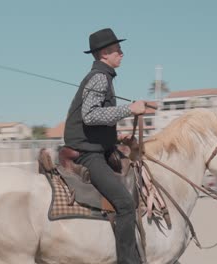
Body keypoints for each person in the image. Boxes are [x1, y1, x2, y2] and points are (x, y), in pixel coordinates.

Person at [64, 28, 146, 264]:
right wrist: (129, 110)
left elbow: (94, 119)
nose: (122, 52)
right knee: (125, 204)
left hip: (96, 147)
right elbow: (90, 116)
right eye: (116, 49)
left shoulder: (102, 76)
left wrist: (114, 137)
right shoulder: (100, 77)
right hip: (88, 155)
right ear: (104, 54)